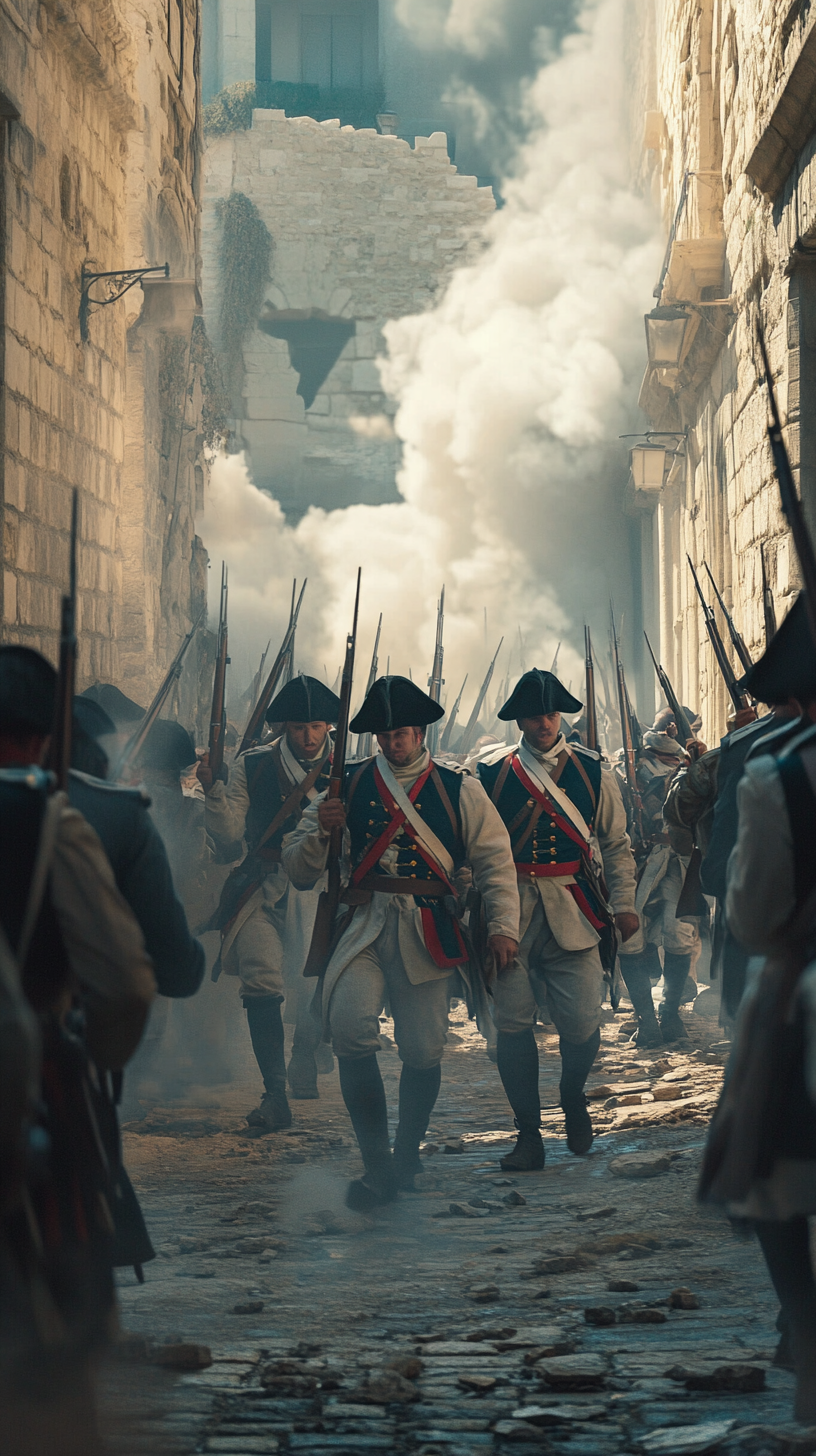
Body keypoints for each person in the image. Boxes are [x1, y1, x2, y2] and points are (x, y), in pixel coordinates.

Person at [282, 675, 519, 1210]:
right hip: (361, 925)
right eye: (386, 736)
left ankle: (406, 1152)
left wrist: (503, 926)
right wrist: (322, 828)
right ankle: (376, 1164)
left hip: (426, 927)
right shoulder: (342, 784)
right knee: (348, 1027)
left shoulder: (459, 787)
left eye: (404, 734)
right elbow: (297, 868)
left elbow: (494, 861)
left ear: (419, 732)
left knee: (422, 1047)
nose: (395, 744)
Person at [0, 646, 155, 1454]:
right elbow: (125, 983)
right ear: (40, 737)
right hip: (28, 1086)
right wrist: (93, 1059)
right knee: (62, 1312)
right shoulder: (48, 818)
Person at [700, 594, 816, 1422]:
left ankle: (805, 1335)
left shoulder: (777, 773)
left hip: (805, 991)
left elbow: (752, 917)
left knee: (773, 1181)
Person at [474, 669, 638, 1170]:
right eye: (533, 715)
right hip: (511, 910)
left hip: (575, 905)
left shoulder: (593, 771)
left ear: (559, 715)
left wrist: (626, 902)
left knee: (584, 1019)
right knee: (513, 1025)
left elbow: (614, 843)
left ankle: (572, 1094)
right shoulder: (493, 773)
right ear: (519, 719)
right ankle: (528, 1135)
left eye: (549, 714)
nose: (543, 723)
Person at [199, 675, 340, 1126]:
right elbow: (227, 832)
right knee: (261, 979)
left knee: (313, 982)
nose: (309, 736)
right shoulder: (253, 765)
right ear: (285, 727)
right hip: (263, 885)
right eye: (299, 727)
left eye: (317, 726)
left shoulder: (348, 770)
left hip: (320, 889)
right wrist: (212, 790)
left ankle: (304, 1052)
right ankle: (274, 1095)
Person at [617, 707, 705, 1047]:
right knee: (631, 936)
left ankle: (669, 1013)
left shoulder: (693, 768)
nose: (669, 729)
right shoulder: (629, 769)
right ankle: (645, 1019)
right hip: (636, 864)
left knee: (680, 934)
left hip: (681, 862)